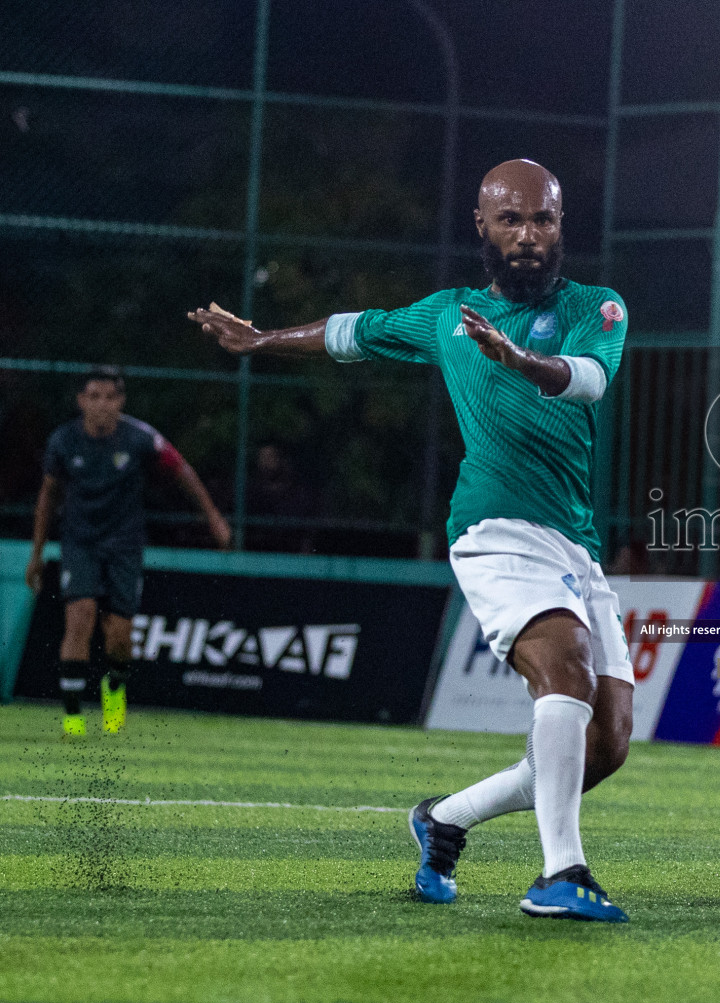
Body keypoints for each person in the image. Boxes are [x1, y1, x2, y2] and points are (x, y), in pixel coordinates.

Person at [190, 159, 634, 923]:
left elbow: (588, 379)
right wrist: (262, 339)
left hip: (575, 546)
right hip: (495, 527)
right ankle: (562, 874)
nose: (529, 235)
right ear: (481, 225)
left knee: (608, 743)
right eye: (512, 220)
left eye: (544, 219)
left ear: (562, 224)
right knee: (565, 670)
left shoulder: (598, 306)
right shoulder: (447, 316)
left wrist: (521, 361)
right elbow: (350, 334)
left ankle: (444, 818)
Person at [25, 367, 230, 737]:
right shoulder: (63, 442)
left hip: (125, 545)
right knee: (81, 616)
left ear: (120, 402)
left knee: (120, 636)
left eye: (110, 397)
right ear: (82, 401)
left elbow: (182, 470)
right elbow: (48, 497)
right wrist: (37, 553)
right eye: (95, 397)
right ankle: (73, 718)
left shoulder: (140, 439)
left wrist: (213, 517)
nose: (102, 404)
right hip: (80, 542)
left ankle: (114, 689)